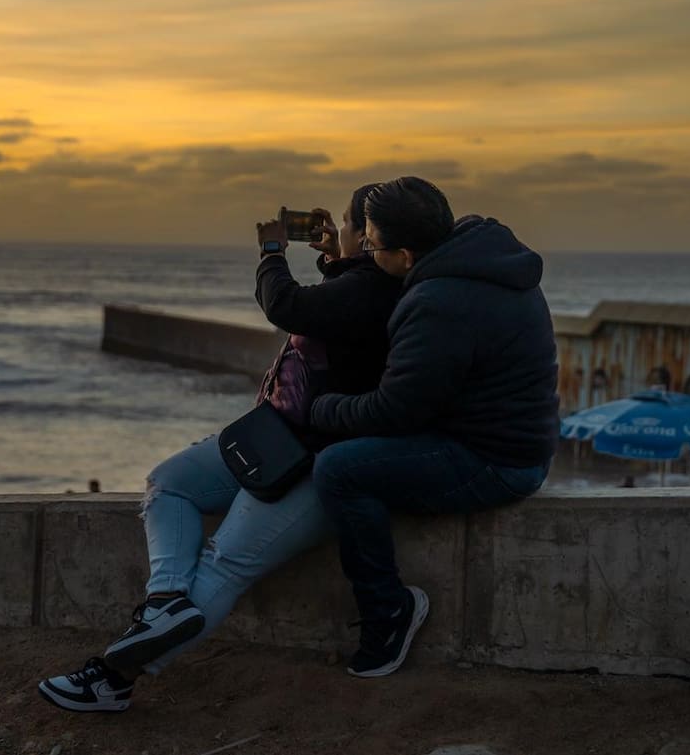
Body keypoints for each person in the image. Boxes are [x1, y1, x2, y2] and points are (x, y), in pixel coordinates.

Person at [38, 184, 403, 712]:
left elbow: (288, 305)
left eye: (348, 226)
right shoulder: (362, 284)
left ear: (368, 239)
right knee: (170, 481)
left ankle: (112, 678)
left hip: (312, 463)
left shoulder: (368, 293)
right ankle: (165, 600)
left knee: (224, 564)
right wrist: (334, 256)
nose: (339, 232)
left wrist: (273, 252)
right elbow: (340, 308)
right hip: (273, 440)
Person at [308, 176, 559, 678]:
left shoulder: (439, 302)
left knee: (338, 469)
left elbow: (395, 412)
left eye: (373, 247)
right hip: (515, 440)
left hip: (496, 462)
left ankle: (389, 612)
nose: (371, 256)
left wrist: (321, 408)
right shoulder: (482, 259)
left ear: (404, 254)